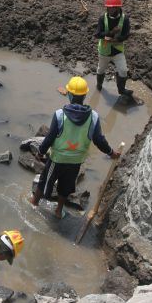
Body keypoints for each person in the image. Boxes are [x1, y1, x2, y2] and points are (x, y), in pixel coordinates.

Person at [29, 77, 121, 218]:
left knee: (45, 180)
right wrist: (111, 152)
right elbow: (99, 140)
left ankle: (34, 203)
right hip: (76, 161)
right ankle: (59, 211)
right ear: (85, 95)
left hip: (57, 159)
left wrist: (40, 152)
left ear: (70, 95)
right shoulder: (94, 117)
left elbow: (50, 137)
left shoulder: (60, 115)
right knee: (66, 187)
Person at [95, 0, 133, 97]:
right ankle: (99, 86)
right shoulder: (103, 18)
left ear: (117, 8)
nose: (109, 10)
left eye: (112, 8)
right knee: (101, 69)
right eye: (108, 7)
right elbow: (97, 34)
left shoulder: (124, 19)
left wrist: (117, 39)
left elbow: (126, 34)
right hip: (104, 50)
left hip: (117, 50)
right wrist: (111, 32)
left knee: (123, 70)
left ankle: (121, 90)